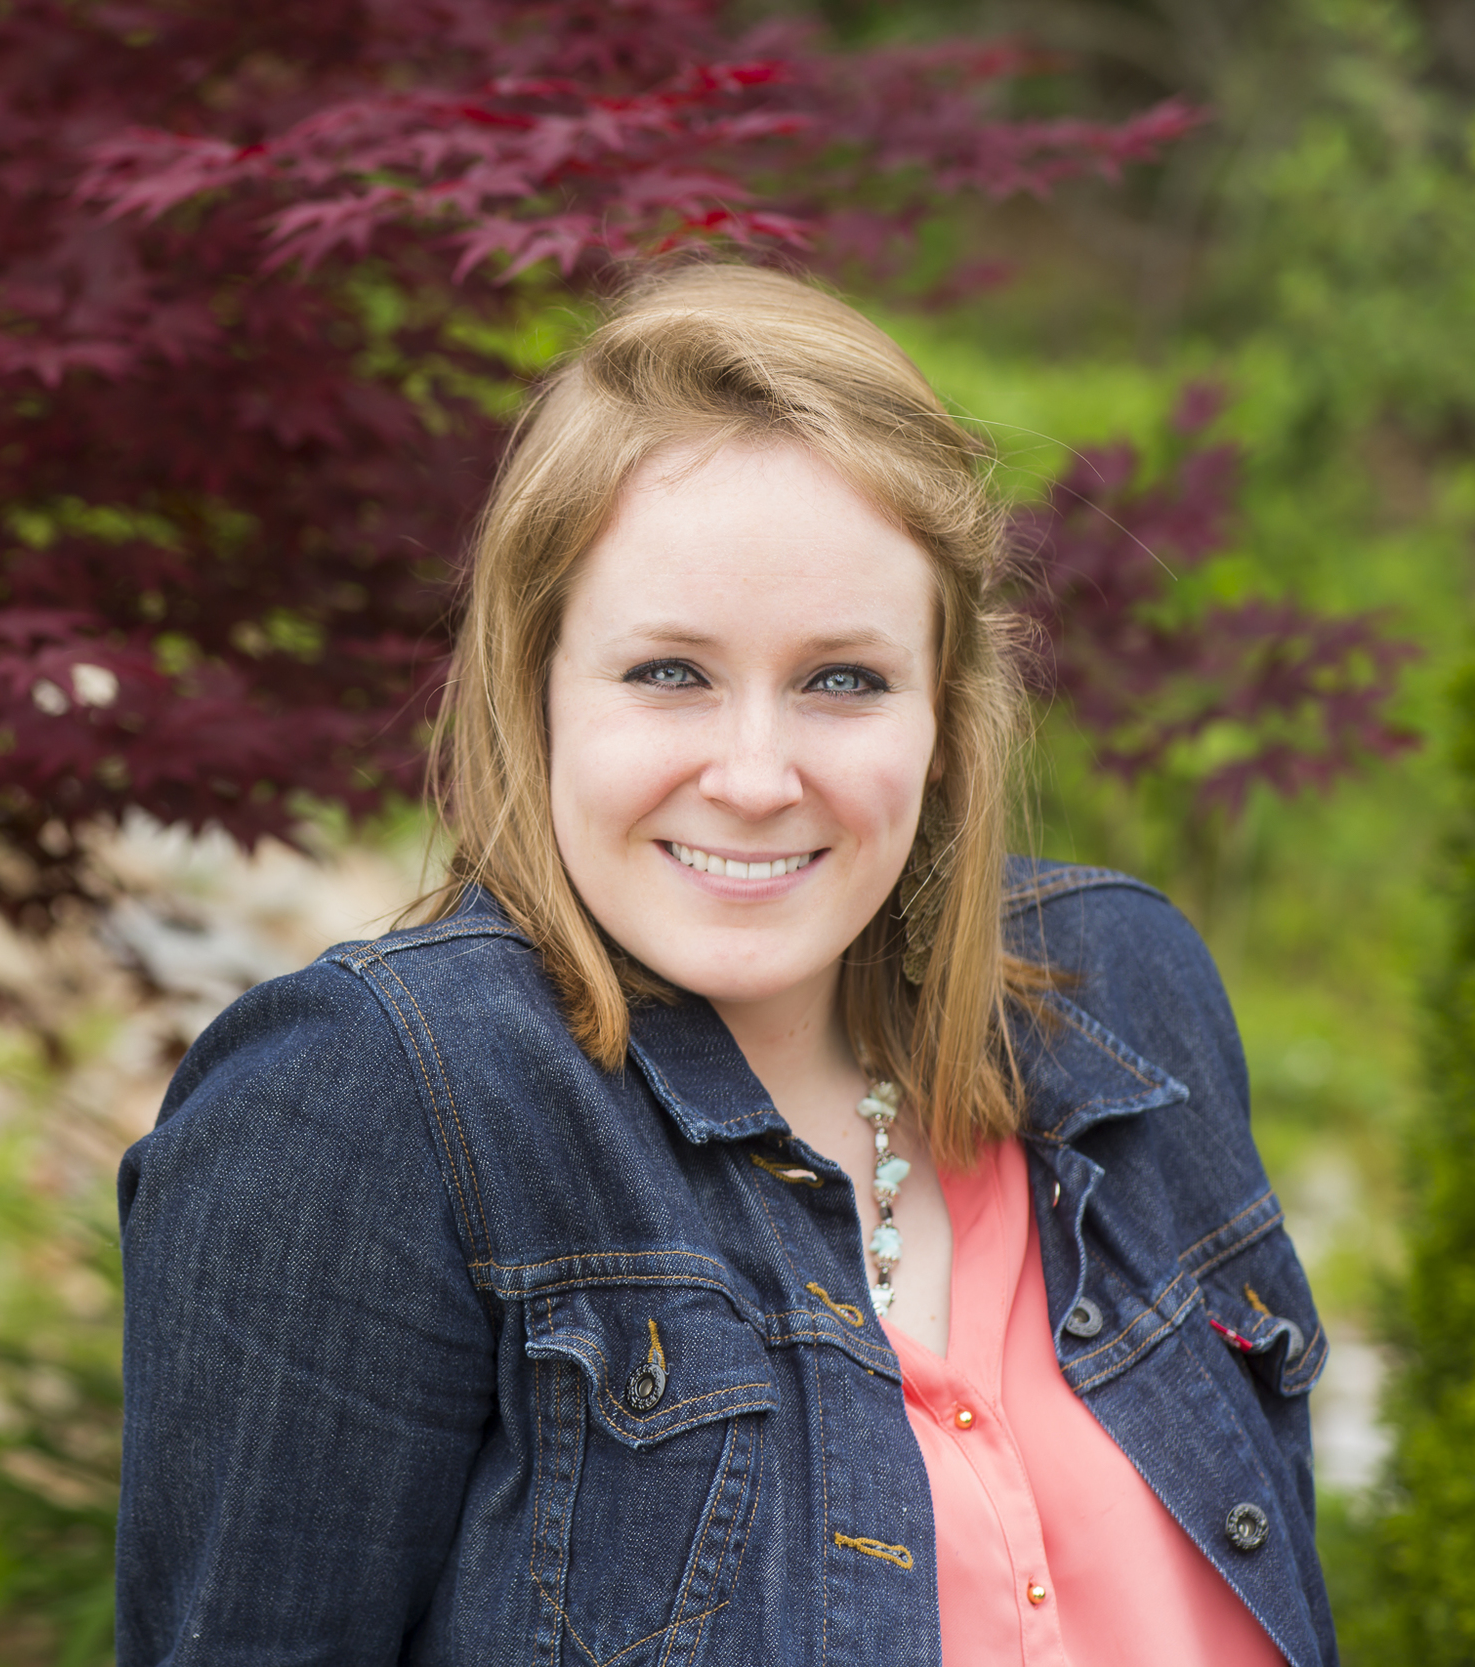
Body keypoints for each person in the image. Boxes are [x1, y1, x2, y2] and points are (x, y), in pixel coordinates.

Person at [114, 263, 1333, 1666]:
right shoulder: (369, 1110)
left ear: (946, 712)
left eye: (843, 679)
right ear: (537, 685)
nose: (756, 777)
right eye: (671, 673)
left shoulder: (1125, 991)